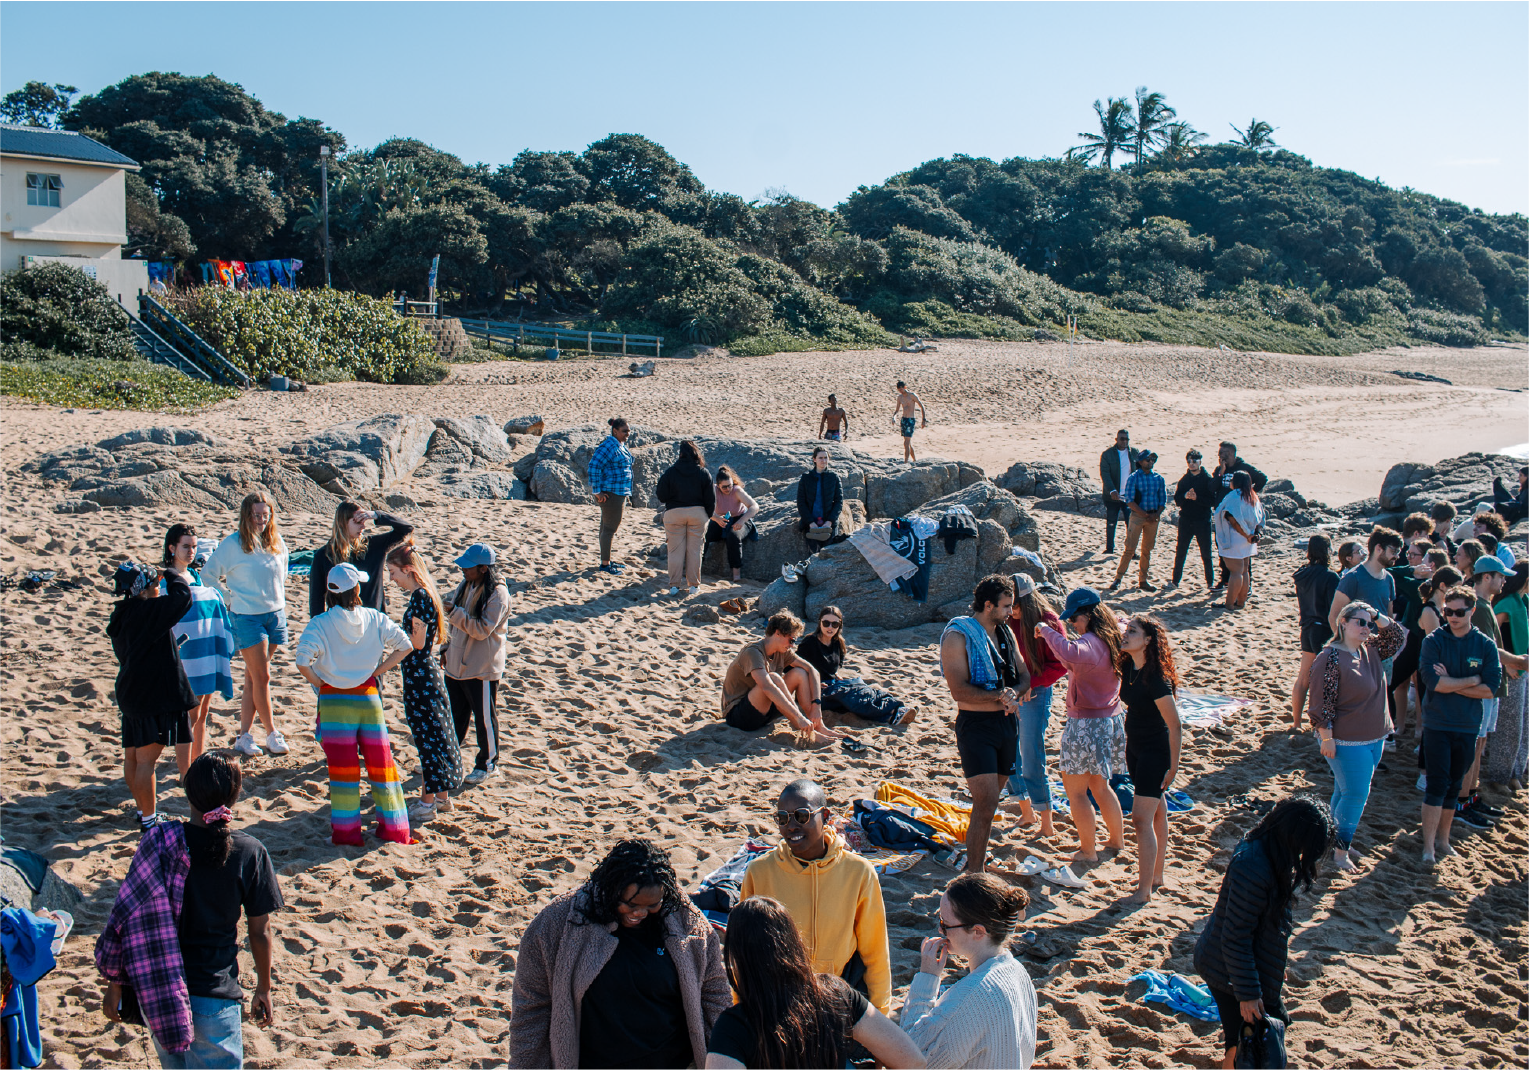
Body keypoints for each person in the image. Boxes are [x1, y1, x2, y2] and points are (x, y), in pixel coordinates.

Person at [97, 752, 281, 1070]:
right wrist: (264, 988)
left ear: (188, 793)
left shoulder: (158, 843)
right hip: (215, 998)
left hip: (160, 996)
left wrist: (116, 985)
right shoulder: (250, 852)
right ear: (234, 796)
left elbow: (128, 919)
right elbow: (259, 931)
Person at [511, 839, 730, 1070]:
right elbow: (531, 1009)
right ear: (611, 889)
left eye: (652, 905)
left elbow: (714, 992)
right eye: (631, 904)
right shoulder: (556, 925)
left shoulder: (687, 922)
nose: (640, 913)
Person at [1193, 796, 1335, 1070]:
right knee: (1242, 1048)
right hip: (1227, 972)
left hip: (1244, 965)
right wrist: (1247, 993)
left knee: (1252, 1041)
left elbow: (1270, 918)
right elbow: (1235, 937)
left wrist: (1276, 959)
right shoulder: (1253, 866)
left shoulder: (1269, 850)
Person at [705, 896, 924, 1070]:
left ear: (736, 958)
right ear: (794, 942)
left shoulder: (734, 1026)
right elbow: (913, 1062)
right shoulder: (836, 994)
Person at [739, 779, 893, 1016]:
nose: (791, 826)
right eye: (783, 818)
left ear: (826, 815)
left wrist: (881, 1012)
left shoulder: (859, 872)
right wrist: (741, 1007)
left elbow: (875, 950)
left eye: (802, 816)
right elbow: (744, 952)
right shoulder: (759, 873)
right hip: (778, 1001)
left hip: (837, 996)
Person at [294, 563, 415, 846]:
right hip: (367, 697)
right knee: (382, 765)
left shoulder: (320, 623)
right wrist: (377, 671)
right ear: (356, 589)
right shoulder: (374, 617)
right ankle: (395, 829)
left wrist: (320, 683)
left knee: (343, 771)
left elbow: (302, 661)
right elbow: (405, 645)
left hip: (335, 701)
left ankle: (347, 833)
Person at [939, 575, 1030, 873]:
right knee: (986, 800)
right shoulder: (958, 636)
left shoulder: (1005, 633)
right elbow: (959, 691)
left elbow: (1024, 677)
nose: (1010, 612)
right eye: (1005, 606)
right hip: (975, 724)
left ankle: (976, 863)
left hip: (1005, 723)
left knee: (991, 804)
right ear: (988, 604)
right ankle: (974, 872)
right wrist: (998, 696)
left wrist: (1012, 694)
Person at [902, 872, 1037, 1070]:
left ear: (978, 932)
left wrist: (927, 978)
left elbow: (910, 1058)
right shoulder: (1018, 972)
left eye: (945, 924)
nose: (940, 931)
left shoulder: (972, 996)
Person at [1309, 602, 1407, 872]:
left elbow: (1397, 636)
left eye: (1369, 622)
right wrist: (1326, 737)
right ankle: (1340, 853)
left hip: (1374, 738)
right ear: (1342, 622)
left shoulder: (1371, 648)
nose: (1366, 627)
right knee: (1355, 795)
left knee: (1344, 791)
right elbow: (1320, 703)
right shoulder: (1329, 657)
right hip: (1346, 740)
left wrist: (1376, 614)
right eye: (1359, 622)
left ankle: (1333, 840)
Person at [1036, 587, 1127, 864]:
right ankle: (1116, 840)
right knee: (1102, 787)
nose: (1073, 624)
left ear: (1087, 616)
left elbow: (1068, 652)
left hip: (1086, 724)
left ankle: (1088, 851)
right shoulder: (1115, 636)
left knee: (1076, 792)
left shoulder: (1090, 644)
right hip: (1111, 719)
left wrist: (1046, 630)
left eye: (1074, 619)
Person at [107, 560, 196, 831]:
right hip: (153, 695)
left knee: (132, 757)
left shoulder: (121, 614)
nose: (159, 586)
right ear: (144, 589)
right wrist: (170, 571)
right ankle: (148, 818)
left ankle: (141, 809)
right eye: (155, 583)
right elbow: (184, 597)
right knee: (147, 760)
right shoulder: (149, 612)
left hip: (130, 691)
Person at [203, 490, 291, 759]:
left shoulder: (276, 541)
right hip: (247, 618)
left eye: (266, 515)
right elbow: (208, 576)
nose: (261, 520)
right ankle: (271, 733)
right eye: (256, 515)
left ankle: (243, 736)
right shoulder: (233, 544)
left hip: (275, 615)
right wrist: (231, 598)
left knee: (254, 677)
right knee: (262, 677)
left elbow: (283, 571)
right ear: (246, 515)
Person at [1418, 585, 1501, 863]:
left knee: (1455, 784)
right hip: (1437, 722)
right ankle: (1428, 846)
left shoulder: (1485, 645)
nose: (1452, 616)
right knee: (1437, 783)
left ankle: (1443, 840)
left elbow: (1491, 688)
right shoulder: (1434, 641)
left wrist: (1451, 683)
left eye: (1458, 612)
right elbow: (1432, 682)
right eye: (1447, 611)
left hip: (1467, 725)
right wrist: (1470, 680)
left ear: (1472, 611)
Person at [385, 540, 464, 822]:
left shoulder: (419, 598)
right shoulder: (427, 595)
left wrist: (393, 635)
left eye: (393, 572)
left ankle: (427, 803)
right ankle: (441, 799)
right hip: (426, 671)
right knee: (438, 734)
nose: (392, 579)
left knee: (427, 739)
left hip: (420, 674)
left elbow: (416, 643)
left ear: (408, 570)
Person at [1118, 615, 1183, 903]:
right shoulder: (1129, 665)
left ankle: (1143, 891)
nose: (1126, 633)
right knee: (1158, 811)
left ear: (1147, 641)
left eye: (1133, 631)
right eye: (1127, 629)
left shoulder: (1156, 680)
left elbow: (1175, 725)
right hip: (1135, 747)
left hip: (1155, 752)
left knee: (1140, 819)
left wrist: (1174, 765)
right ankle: (1156, 876)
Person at [163, 524, 234, 766]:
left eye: (194, 546)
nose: (191, 551)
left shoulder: (194, 576)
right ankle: (186, 768)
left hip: (203, 652)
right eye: (185, 546)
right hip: (183, 656)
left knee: (203, 712)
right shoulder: (165, 580)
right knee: (189, 715)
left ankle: (199, 760)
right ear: (172, 547)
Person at [1003, 575, 1068, 838]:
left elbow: (1061, 663)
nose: (1010, 609)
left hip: (1036, 694)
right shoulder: (1005, 619)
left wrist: (1033, 684)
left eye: (1014, 604)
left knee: (1031, 757)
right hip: (1010, 693)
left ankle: (1046, 823)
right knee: (1009, 755)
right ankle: (1026, 812)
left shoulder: (1048, 621)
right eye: (1007, 604)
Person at [442, 543, 510, 784]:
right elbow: (454, 623)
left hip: (481, 667)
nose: (463, 570)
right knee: (454, 714)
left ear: (483, 568)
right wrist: (445, 648)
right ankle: (446, 758)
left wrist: (454, 613)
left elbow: (481, 630)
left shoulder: (498, 594)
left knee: (484, 718)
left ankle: (488, 763)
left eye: (468, 567)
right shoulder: (467, 584)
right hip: (456, 663)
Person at [720, 612, 841, 743]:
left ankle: (817, 725)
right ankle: (803, 725)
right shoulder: (753, 652)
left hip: (765, 713)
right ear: (777, 633)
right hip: (739, 717)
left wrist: (817, 706)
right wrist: (798, 717)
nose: (792, 645)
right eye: (791, 640)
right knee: (773, 678)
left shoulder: (782, 652)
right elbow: (767, 686)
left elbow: (812, 670)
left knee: (800, 673)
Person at [797, 605, 915, 726]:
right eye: (826, 623)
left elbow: (830, 668)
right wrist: (813, 682)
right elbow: (793, 669)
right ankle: (890, 714)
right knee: (850, 696)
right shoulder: (810, 642)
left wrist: (835, 674)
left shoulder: (837, 643)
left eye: (835, 624)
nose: (830, 627)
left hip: (833, 685)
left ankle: (897, 707)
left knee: (863, 689)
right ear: (820, 623)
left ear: (840, 625)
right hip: (815, 692)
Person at [306, 502, 414, 618]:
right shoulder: (324, 556)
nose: (363, 526)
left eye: (364, 522)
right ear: (342, 523)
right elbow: (316, 600)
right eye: (357, 522)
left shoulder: (373, 546)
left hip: (374, 622)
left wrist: (376, 515)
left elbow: (406, 529)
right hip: (341, 624)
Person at [1485, 563, 1529, 790]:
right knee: (1509, 727)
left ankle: (1514, 773)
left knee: (1523, 725)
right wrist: (1508, 663)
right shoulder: (1507, 603)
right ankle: (1500, 777)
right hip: (1513, 671)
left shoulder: (1523, 602)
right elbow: (1493, 637)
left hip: (1524, 669)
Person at [1291, 535, 1340, 730]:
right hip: (1323, 630)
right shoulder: (1330, 576)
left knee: (1303, 677)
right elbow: (1333, 610)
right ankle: (1321, 724)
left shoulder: (1302, 574)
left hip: (1307, 628)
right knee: (1323, 680)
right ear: (1327, 550)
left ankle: (1296, 722)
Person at [656, 440, 715, 597]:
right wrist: (706, 515)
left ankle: (674, 586)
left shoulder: (671, 472)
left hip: (674, 513)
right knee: (695, 551)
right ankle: (694, 585)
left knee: (675, 551)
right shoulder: (703, 472)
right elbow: (711, 499)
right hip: (697, 514)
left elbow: (661, 494)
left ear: (680, 454)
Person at [1211, 442, 1267, 591]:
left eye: (1223, 453)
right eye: (1219, 453)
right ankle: (1225, 581)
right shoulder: (1219, 470)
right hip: (1224, 517)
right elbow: (1211, 488)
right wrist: (1220, 473)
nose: (1220, 456)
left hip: (1240, 518)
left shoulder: (1244, 469)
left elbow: (1262, 479)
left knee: (1243, 553)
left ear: (1231, 454)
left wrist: (1248, 494)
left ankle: (1246, 586)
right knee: (1223, 550)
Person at [1328, 527, 1401, 635]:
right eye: (1393, 551)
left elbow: (1389, 617)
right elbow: (1334, 617)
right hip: (1358, 646)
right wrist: (1345, 646)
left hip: (1381, 647)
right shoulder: (1353, 577)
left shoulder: (1388, 578)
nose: (1397, 556)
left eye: (1398, 552)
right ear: (1379, 548)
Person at [1110, 451, 1166, 591]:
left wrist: (1156, 514)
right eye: (1148, 459)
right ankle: (1118, 578)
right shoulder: (1133, 478)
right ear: (1140, 462)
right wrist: (1145, 514)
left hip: (1153, 518)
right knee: (1130, 549)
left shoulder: (1158, 478)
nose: (1150, 461)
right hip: (1137, 517)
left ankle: (1143, 580)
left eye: (1153, 459)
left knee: (1147, 550)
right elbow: (1130, 501)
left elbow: (1162, 500)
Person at [588, 417, 634, 575]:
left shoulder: (619, 444)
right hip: (611, 494)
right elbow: (594, 465)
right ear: (615, 431)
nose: (628, 434)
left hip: (618, 492)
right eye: (624, 431)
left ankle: (605, 559)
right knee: (609, 529)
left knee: (605, 528)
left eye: (628, 430)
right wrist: (597, 491)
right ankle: (605, 565)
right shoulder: (608, 445)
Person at [1214, 472, 1264, 610]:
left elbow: (1232, 519)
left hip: (1235, 538)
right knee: (1244, 571)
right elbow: (1261, 518)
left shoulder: (1234, 497)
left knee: (1235, 572)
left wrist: (1246, 534)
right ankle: (1241, 602)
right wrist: (1253, 534)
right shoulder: (1252, 496)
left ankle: (1229, 604)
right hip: (1248, 540)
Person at [1169, 449, 1217, 590]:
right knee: (1181, 552)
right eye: (1189, 461)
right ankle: (1175, 581)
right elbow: (1177, 500)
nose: (1191, 464)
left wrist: (1197, 498)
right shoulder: (1184, 480)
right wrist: (1185, 496)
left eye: (1194, 461)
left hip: (1202, 520)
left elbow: (1212, 501)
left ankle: (1210, 582)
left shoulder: (1207, 479)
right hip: (1186, 520)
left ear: (1200, 461)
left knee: (1206, 553)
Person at [707, 465, 761, 583]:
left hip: (741, 518)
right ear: (718, 485)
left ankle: (736, 574)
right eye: (724, 487)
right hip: (721, 519)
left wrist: (742, 521)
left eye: (730, 485)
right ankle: (696, 567)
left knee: (733, 536)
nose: (728, 489)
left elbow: (754, 506)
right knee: (705, 535)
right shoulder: (713, 490)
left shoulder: (736, 491)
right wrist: (716, 518)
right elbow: (703, 507)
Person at [1097, 429, 1139, 556]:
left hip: (1129, 496)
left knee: (1131, 524)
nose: (1124, 441)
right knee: (1111, 522)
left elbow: (1140, 470)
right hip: (1112, 496)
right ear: (1116, 439)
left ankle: (1131, 551)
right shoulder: (1108, 454)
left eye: (1126, 439)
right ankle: (1110, 548)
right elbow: (1105, 474)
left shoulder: (1134, 453)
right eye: (1122, 439)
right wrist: (1112, 490)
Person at [797, 447, 844, 555]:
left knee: (830, 556)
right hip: (810, 524)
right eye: (820, 458)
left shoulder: (834, 477)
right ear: (814, 459)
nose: (823, 461)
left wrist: (829, 521)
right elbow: (801, 502)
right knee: (812, 556)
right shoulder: (806, 478)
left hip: (829, 525)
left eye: (826, 458)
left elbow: (839, 502)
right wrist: (810, 522)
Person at [894, 381, 927, 462]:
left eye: (901, 388)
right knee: (908, 443)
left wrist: (923, 420)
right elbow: (897, 410)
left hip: (910, 420)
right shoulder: (900, 398)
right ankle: (914, 460)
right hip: (904, 420)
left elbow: (922, 406)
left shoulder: (912, 396)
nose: (901, 391)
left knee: (906, 443)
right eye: (899, 389)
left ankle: (906, 462)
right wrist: (893, 417)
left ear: (905, 387)